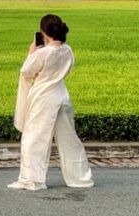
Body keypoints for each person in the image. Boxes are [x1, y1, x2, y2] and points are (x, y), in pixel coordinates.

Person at [8, 14, 94, 191]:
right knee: (69, 139)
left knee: (34, 138)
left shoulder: (42, 52)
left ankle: (32, 179)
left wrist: (31, 52)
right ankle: (80, 177)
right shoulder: (67, 50)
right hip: (62, 94)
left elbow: (26, 71)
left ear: (44, 32)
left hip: (44, 96)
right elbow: (67, 69)